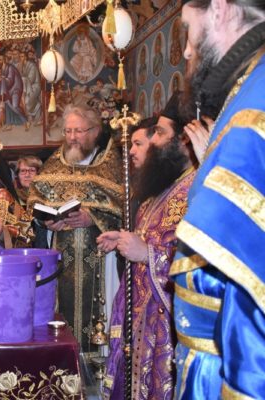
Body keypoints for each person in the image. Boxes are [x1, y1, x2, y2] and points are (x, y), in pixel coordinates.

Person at [169, 0, 265, 398]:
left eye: (188, 29)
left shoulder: (253, 105)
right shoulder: (245, 90)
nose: (187, 50)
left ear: (221, 9)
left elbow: (250, 282)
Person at [98, 97, 196, 400]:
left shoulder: (196, 190)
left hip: (166, 331)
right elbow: (151, 238)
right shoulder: (161, 188)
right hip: (142, 324)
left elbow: (199, 264)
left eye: (160, 134)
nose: (152, 142)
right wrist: (125, 239)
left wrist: (147, 254)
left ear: (184, 140)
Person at [27, 103, 123, 353]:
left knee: (100, 316)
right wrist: (47, 222)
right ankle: (65, 362)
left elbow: (124, 208)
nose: (72, 137)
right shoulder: (54, 163)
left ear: (94, 131)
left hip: (101, 257)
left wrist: (93, 218)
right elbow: (35, 200)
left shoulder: (111, 163)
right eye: (68, 131)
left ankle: (99, 367)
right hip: (62, 256)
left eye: (78, 131)